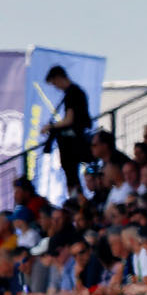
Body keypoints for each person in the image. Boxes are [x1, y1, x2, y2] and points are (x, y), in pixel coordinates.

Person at [41, 64, 92, 202]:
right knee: (71, 174)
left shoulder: (72, 93)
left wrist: (50, 127)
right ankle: (76, 200)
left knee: (71, 174)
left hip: (73, 141)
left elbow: (69, 120)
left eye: (54, 83)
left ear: (58, 78)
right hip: (75, 138)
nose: (56, 87)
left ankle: (77, 200)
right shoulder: (75, 92)